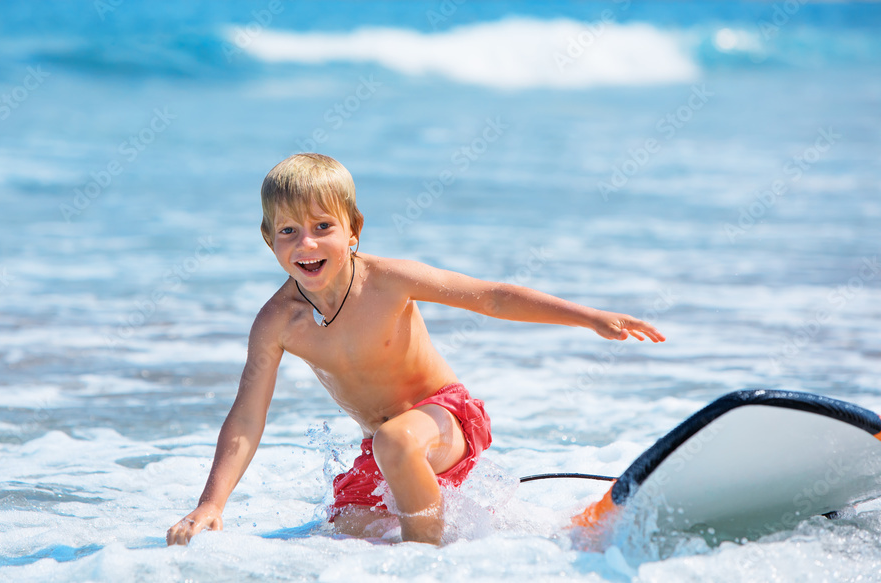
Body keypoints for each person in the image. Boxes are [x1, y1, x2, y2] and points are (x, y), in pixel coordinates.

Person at [166, 153, 665, 546]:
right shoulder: (277, 322)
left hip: (446, 421)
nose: (307, 244)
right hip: (386, 449)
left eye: (323, 227)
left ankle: (425, 569)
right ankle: (502, 536)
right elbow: (247, 418)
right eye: (288, 232)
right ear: (267, 239)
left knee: (397, 444)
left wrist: (590, 317)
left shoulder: (388, 281)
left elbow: (490, 296)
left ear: (354, 228)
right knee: (343, 531)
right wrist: (211, 505)